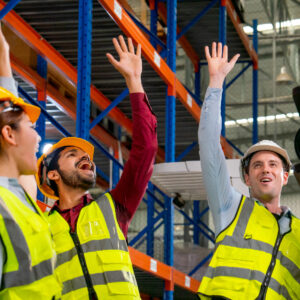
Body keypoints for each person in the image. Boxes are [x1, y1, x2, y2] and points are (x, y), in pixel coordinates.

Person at [35, 35, 157, 299]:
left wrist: (134, 82)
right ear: (53, 174)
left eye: (87, 157)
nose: (86, 159)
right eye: (72, 154)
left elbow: (146, 150)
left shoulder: (115, 206)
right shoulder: (40, 228)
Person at [197, 42, 300, 299]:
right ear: (246, 177)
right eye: (257, 165)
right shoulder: (230, 208)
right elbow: (209, 147)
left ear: (285, 177)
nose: (265, 169)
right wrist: (216, 83)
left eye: (273, 164)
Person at [0, 25, 61, 298]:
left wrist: (4, 54)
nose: (38, 137)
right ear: (9, 135)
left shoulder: (17, 195)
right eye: (31, 126)